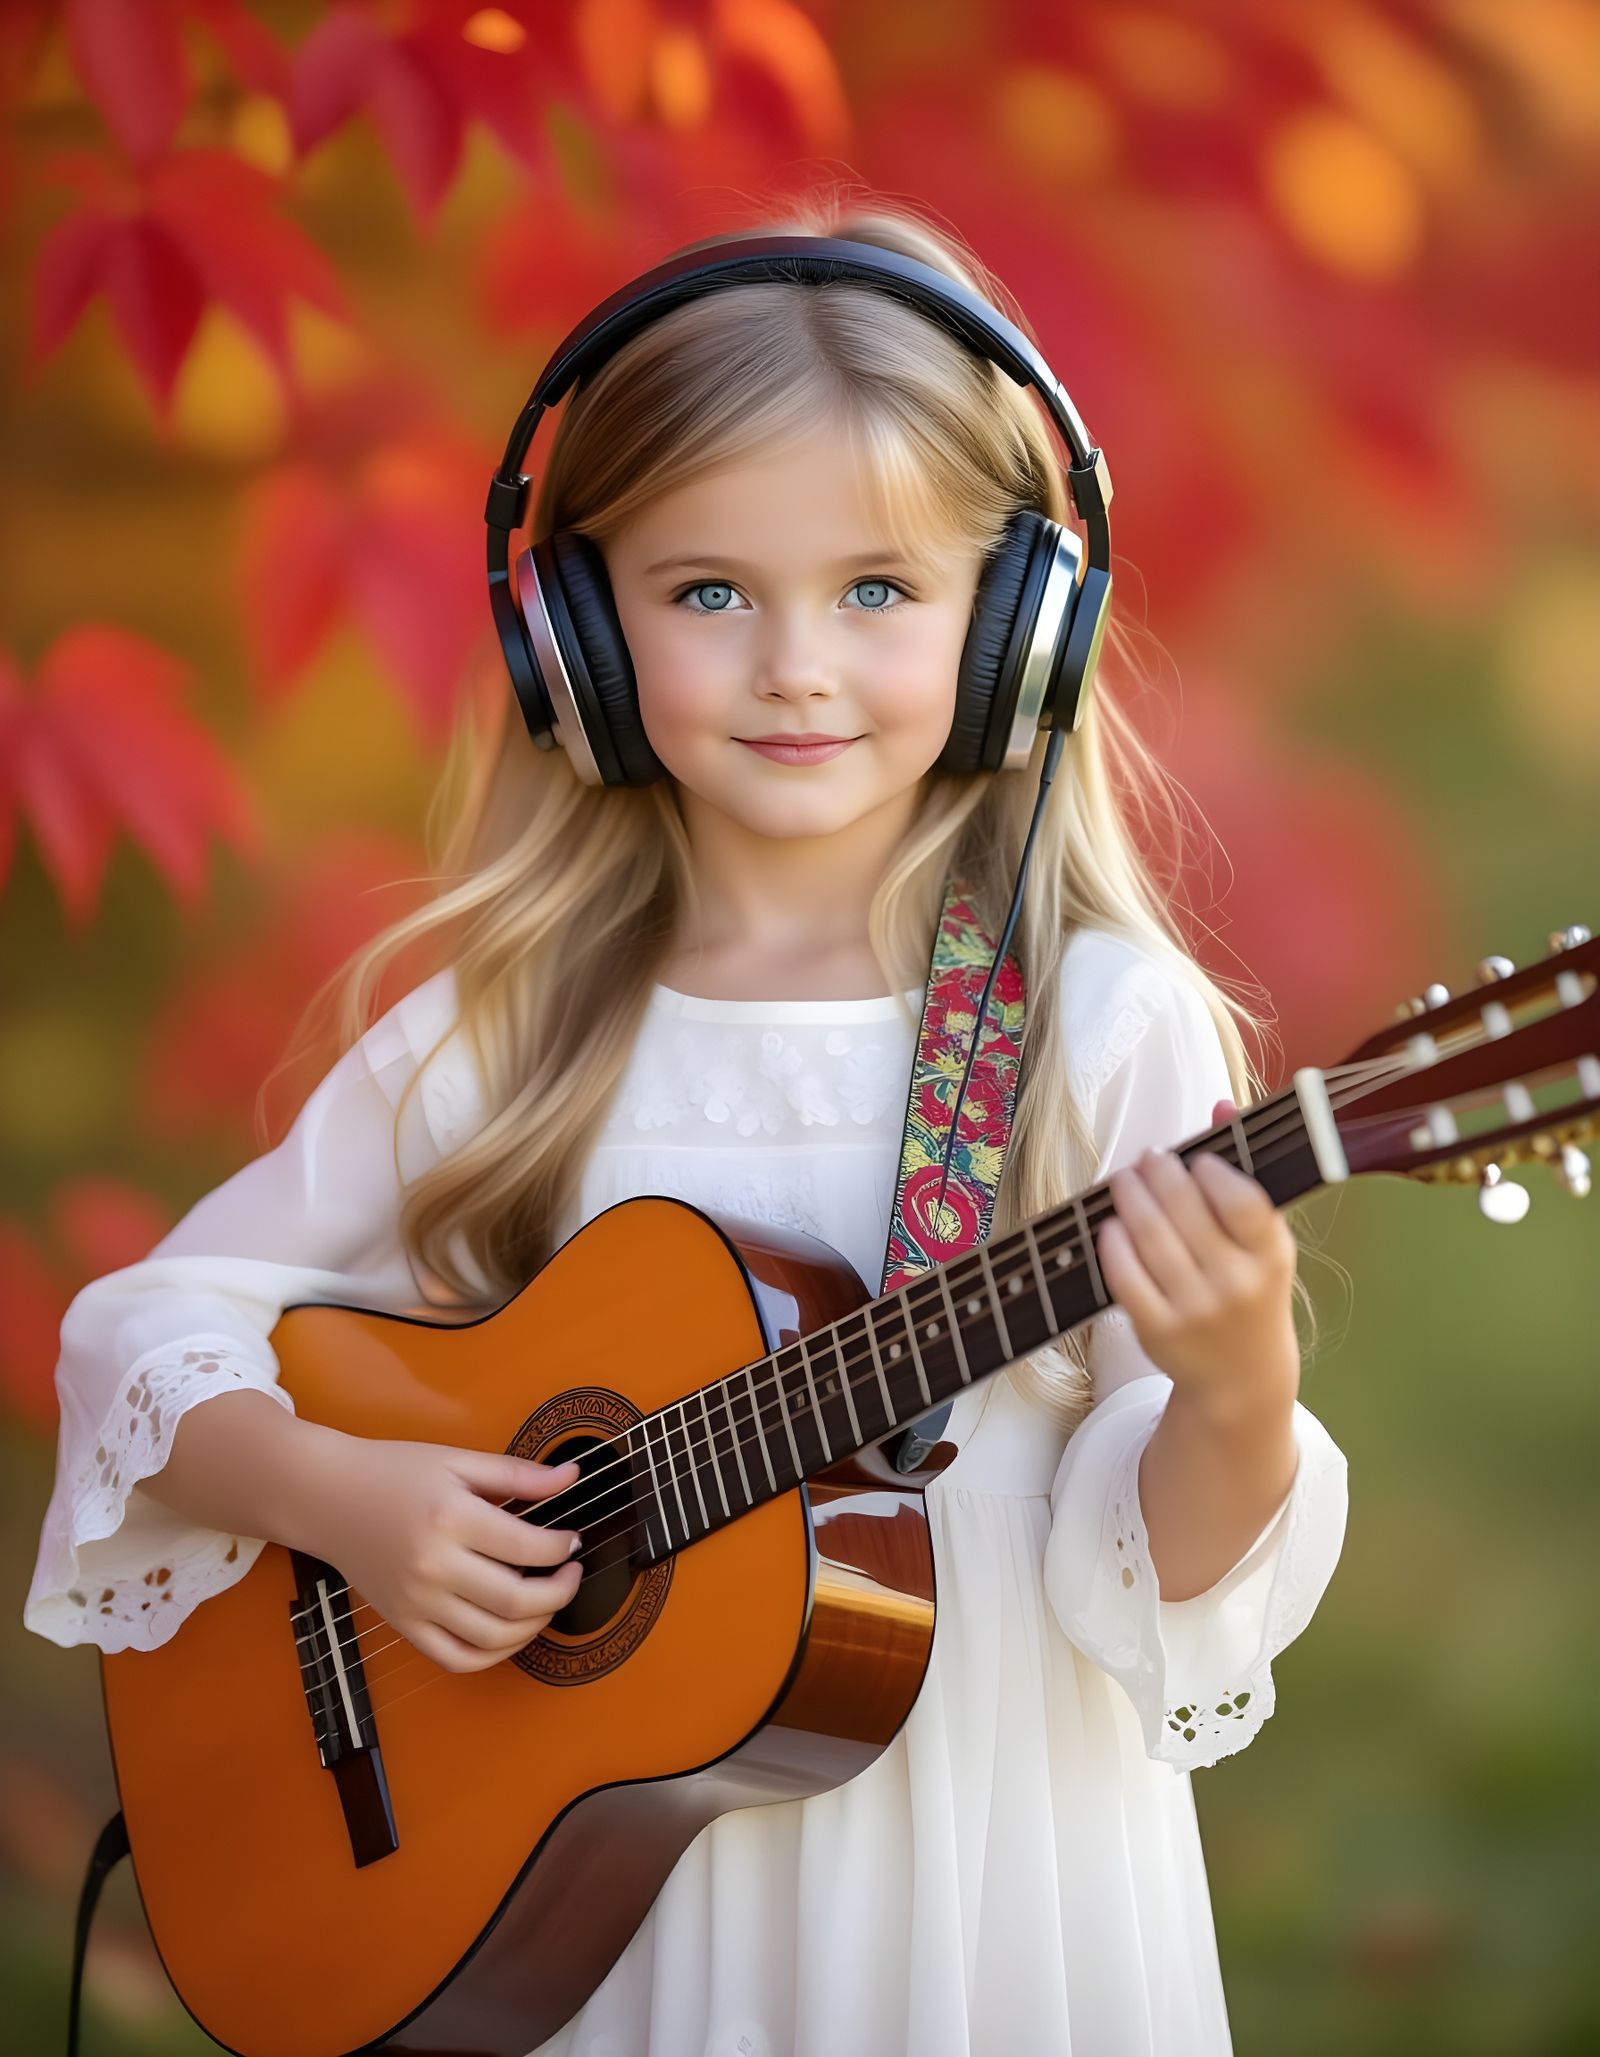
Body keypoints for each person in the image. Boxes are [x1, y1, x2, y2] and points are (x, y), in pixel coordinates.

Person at [24, 191, 1349, 2056]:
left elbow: (1162, 1579)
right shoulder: (513, 1024)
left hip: (976, 1892)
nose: (795, 661)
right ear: (575, 629)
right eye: (707, 591)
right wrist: (352, 1498)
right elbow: (144, 1330)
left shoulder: (1085, 1033)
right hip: (573, 1908)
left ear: (1015, 632)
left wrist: (1232, 1392)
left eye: (880, 590)